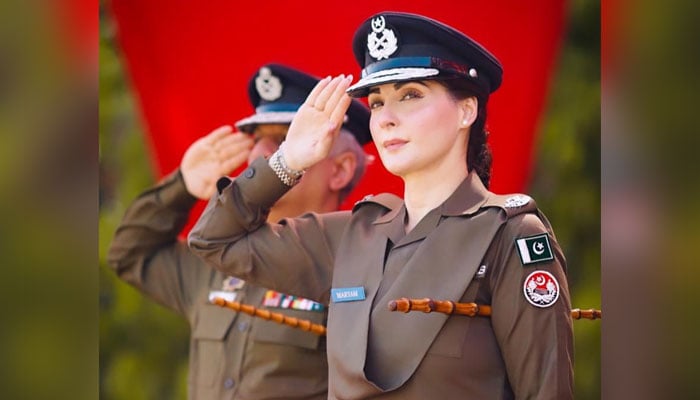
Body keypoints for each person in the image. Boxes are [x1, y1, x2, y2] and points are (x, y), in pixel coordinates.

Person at [189, 11, 574, 400]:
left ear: (466, 110)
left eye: (410, 95)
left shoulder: (510, 237)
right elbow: (213, 241)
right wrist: (287, 161)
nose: (387, 118)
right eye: (376, 103)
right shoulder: (350, 237)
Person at [107, 63, 371, 399]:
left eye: (283, 140)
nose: (260, 154)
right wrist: (182, 188)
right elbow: (129, 254)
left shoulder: (359, 264)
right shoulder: (213, 259)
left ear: (341, 170)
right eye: (257, 140)